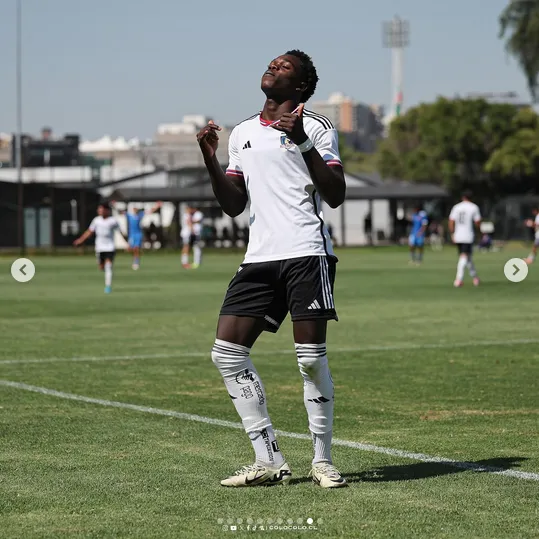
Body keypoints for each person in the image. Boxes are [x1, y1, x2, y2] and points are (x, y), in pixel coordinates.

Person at [197, 50, 347, 488]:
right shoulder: (241, 132)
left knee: (309, 361)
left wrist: (300, 140)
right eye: (272, 63)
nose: (273, 67)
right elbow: (233, 205)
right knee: (226, 352)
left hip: (306, 254)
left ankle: (322, 461)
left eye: (285, 67)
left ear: (300, 86)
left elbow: (335, 194)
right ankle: (268, 459)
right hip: (258, 259)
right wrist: (210, 158)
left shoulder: (317, 127)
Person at [73, 202, 120, 294]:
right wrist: (80, 240)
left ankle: (108, 286)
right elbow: (89, 231)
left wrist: (127, 244)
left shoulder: (113, 221)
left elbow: (120, 232)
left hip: (110, 247)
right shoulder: (96, 220)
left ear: (106, 210)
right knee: (101, 267)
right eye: (99, 209)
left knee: (108, 266)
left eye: (101, 209)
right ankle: (106, 272)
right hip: (99, 247)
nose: (100, 211)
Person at [112, 201, 162, 270]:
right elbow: (120, 211)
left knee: (136, 248)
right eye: (134, 208)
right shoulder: (129, 215)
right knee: (130, 249)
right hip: (132, 235)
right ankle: (136, 257)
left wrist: (157, 205)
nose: (135, 209)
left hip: (138, 234)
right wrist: (114, 205)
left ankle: (136, 262)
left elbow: (150, 211)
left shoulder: (140, 215)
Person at [448, 191, 481, 287]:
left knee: (468, 257)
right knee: (464, 257)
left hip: (458, 235)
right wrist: (479, 232)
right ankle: (458, 279)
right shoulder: (473, 207)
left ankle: (475, 278)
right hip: (468, 235)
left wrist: (452, 233)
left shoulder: (456, 207)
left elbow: (451, 221)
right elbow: (478, 221)